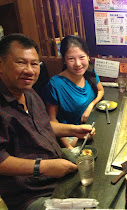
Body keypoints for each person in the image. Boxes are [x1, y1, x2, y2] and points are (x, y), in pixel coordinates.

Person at [0, 33, 95, 210]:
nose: (29, 70)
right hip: (32, 193)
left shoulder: (29, 93)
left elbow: (44, 125)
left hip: (53, 168)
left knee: (98, 165)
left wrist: (74, 130)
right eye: (20, 62)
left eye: (34, 64)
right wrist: (41, 167)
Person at [45, 35, 104, 149]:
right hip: (71, 136)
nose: (78, 64)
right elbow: (52, 121)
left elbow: (101, 90)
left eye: (81, 57)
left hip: (91, 125)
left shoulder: (89, 72)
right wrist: (70, 149)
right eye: (71, 59)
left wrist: (90, 106)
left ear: (88, 56)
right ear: (64, 61)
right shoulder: (55, 84)